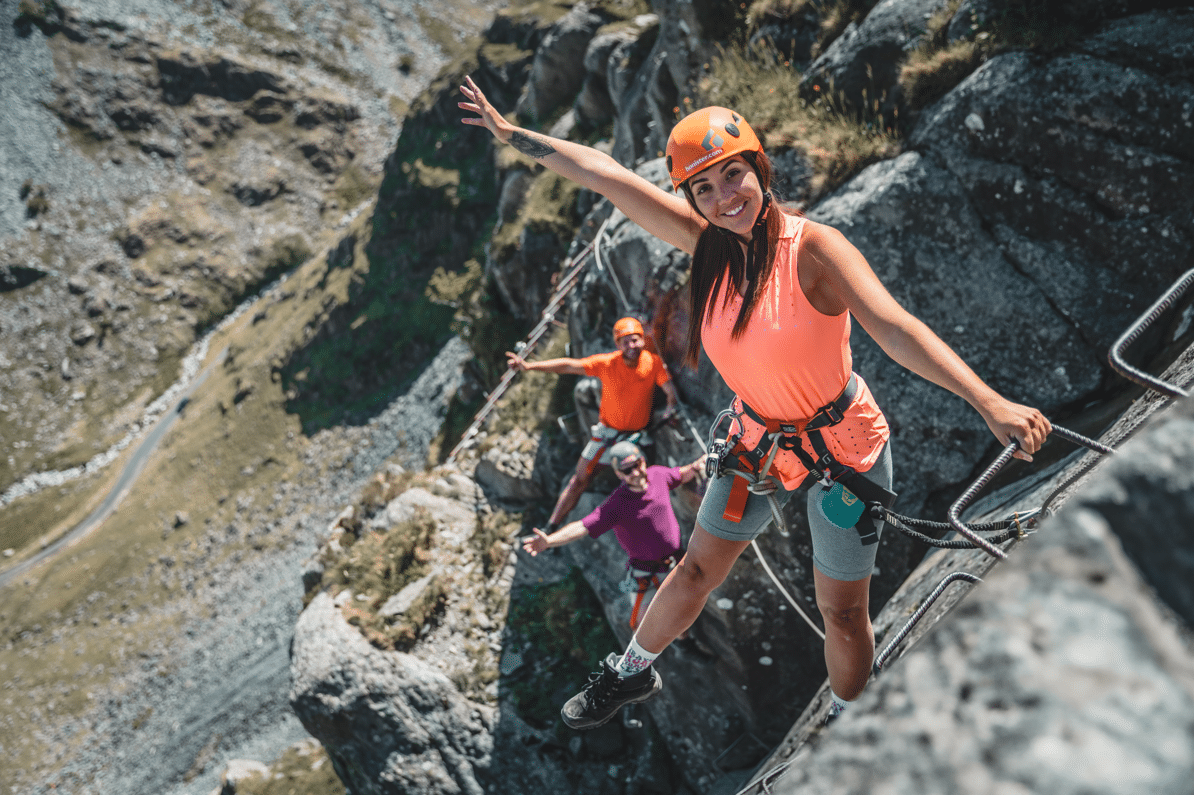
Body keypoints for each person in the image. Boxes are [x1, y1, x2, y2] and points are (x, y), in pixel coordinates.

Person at [460, 81, 1052, 731]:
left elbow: (895, 328)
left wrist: (988, 401)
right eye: (704, 189)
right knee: (693, 570)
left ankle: (849, 719)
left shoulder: (816, 251)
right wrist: (509, 133)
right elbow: (605, 175)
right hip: (757, 445)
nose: (724, 198)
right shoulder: (708, 248)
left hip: (841, 449)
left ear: (759, 169)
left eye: (733, 175)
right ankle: (629, 670)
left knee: (843, 610)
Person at [507, 316, 679, 534]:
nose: (631, 346)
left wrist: (671, 405)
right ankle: (552, 526)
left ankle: (645, 528)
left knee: (641, 484)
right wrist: (530, 366)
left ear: (643, 340)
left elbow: (669, 389)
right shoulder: (607, 364)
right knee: (579, 479)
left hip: (635, 437)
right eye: (625, 342)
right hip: (607, 433)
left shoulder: (653, 363)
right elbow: (570, 366)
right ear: (618, 345)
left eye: (634, 340)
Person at [522, 441, 704, 629]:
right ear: (618, 474)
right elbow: (583, 526)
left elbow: (681, 474)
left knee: (683, 611)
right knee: (645, 625)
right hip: (648, 573)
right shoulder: (617, 505)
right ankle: (676, 644)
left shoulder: (658, 475)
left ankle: (685, 637)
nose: (635, 473)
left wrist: (700, 464)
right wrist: (550, 541)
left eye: (637, 465)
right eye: (627, 470)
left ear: (643, 461)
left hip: (678, 561)